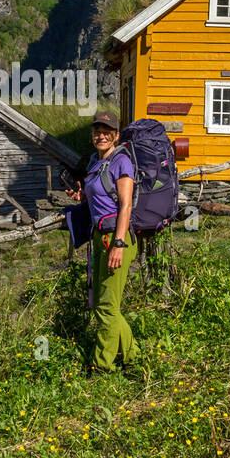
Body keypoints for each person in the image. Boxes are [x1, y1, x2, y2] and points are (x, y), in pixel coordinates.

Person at [68, 111, 139, 374]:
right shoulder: (94, 163)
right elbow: (100, 198)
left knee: (107, 307)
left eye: (107, 131)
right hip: (99, 236)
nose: (101, 135)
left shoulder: (122, 162)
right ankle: (133, 358)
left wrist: (118, 244)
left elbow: (125, 205)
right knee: (102, 304)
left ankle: (101, 367)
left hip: (116, 238)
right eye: (97, 131)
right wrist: (81, 196)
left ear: (116, 136)